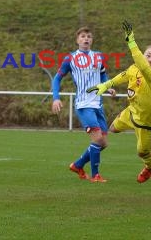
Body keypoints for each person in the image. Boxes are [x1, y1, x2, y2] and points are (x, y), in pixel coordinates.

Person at [86, 21, 151, 183]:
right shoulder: (134, 68)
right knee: (112, 128)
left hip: (147, 124)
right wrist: (106, 85)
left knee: (143, 153)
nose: (150, 59)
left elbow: (144, 66)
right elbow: (122, 76)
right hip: (132, 113)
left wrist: (131, 41)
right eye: (148, 55)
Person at [51, 26, 115, 183]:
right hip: (83, 105)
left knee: (104, 143)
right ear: (77, 40)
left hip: (97, 105)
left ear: (92, 40)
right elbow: (57, 78)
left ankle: (78, 165)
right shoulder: (70, 58)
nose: (86, 39)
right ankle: (95, 175)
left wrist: (108, 86)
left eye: (89, 36)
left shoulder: (98, 57)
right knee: (98, 140)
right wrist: (56, 98)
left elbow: (103, 74)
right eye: (83, 36)